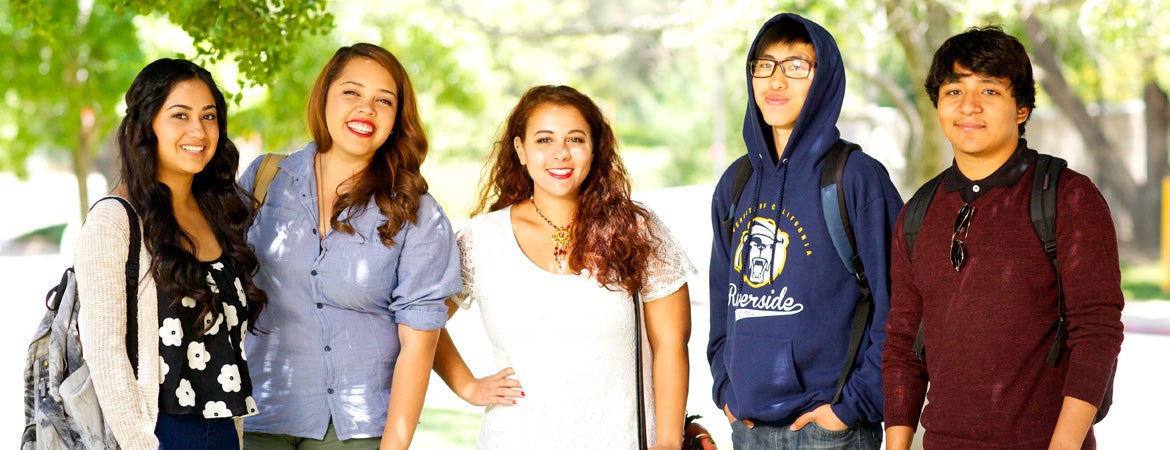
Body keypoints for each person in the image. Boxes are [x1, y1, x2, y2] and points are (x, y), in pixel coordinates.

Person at [881, 26, 1125, 450]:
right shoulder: (918, 212)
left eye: (990, 91)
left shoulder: (1067, 197)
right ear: (938, 105)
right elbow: (903, 346)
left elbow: (1097, 332)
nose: (969, 107)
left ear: (1022, 109)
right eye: (954, 91)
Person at [431, 85, 695, 449]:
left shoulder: (637, 229)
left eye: (575, 139)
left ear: (595, 149)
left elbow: (671, 343)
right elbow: (422, 322)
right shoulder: (480, 240)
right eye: (543, 140)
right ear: (520, 150)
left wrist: (667, 442)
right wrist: (466, 385)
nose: (560, 154)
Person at [238, 43, 461, 449]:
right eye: (352, 92)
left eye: (384, 100)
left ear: (397, 119)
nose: (366, 109)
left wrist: (394, 445)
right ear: (324, 97)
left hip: (356, 429)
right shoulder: (265, 179)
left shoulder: (417, 213)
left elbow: (419, 342)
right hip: (259, 413)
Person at [706, 13, 903, 449]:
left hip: (831, 430)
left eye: (797, 66)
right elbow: (722, 299)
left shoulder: (855, 178)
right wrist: (725, 388)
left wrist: (853, 406)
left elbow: (902, 306)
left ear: (825, 79)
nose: (776, 81)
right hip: (748, 427)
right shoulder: (735, 184)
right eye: (765, 65)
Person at [75, 58, 267, 450]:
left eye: (209, 116)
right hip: (158, 433)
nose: (198, 130)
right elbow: (105, 353)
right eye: (180, 115)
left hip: (223, 431)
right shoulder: (116, 220)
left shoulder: (219, 215)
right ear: (148, 126)